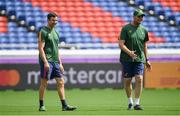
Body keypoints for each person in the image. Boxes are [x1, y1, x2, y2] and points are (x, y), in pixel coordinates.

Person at [38, 12, 77, 111]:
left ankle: (64, 105)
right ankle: (41, 105)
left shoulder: (56, 33)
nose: (55, 22)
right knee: (44, 83)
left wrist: (60, 63)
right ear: (48, 20)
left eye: (56, 20)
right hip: (47, 61)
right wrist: (45, 62)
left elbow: (57, 49)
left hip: (55, 62)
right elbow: (41, 48)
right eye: (53, 20)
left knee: (61, 82)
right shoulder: (43, 31)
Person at [118, 9, 152, 110]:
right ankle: (130, 102)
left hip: (139, 59)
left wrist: (147, 59)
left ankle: (137, 103)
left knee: (139, 79)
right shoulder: (125, 28)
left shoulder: (144, 30)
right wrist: (130, 53)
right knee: (127, 81)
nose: (141, 18)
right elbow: (121, 44)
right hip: (126, 59)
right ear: (134, 17)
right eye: (139, 16)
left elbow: (145, 46)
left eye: (142, 16)